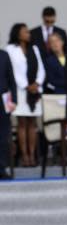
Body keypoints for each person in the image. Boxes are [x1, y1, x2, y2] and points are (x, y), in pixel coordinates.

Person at [6, 23, 46, 168]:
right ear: (17, 33)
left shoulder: (34, 48)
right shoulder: (11, 49)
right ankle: (25, 156)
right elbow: (11, 70)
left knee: (33, 124)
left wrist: (37, 83)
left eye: (28, 32)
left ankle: (33, 154)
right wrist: (26, 85)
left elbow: (41, 68)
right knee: (22, 123)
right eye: (25, 32)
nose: (28, 34)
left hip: (35, 91)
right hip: (20, 91)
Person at [0, 49, 15, 179]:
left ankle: (2, 168)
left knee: (3, 136)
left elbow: (11, 79)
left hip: (3, 100)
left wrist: (14, 100)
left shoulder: (4, 55)